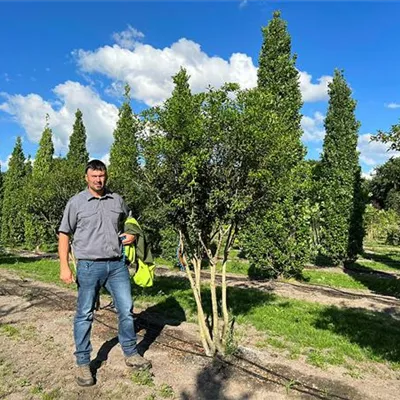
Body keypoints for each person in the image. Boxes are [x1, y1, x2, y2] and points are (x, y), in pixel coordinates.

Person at [58, 159, 151, 387]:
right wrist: (64, 266)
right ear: (86, 178)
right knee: (85, 314)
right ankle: (82, 363)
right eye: (94, 176)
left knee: (126, 310)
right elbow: (64, 234)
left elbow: (131, 221)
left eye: (102, 176)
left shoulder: (116, 200)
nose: (99, 180)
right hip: (89, 266)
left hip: (117, 266)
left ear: (105, 176)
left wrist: (132, 235)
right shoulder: (76, 203)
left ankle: (130, 353)